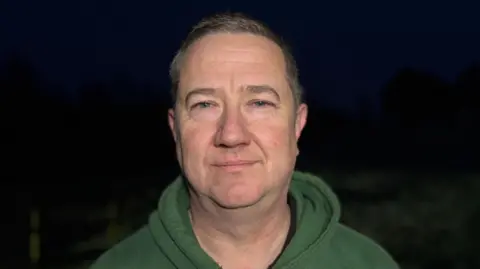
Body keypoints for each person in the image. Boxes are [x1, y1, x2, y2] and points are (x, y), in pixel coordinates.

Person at [90, 12, 399, 269]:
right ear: (175, 130)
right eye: (204, 105)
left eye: (260, 103)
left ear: (298, 125)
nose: (232, 134)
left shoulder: (369, 263)